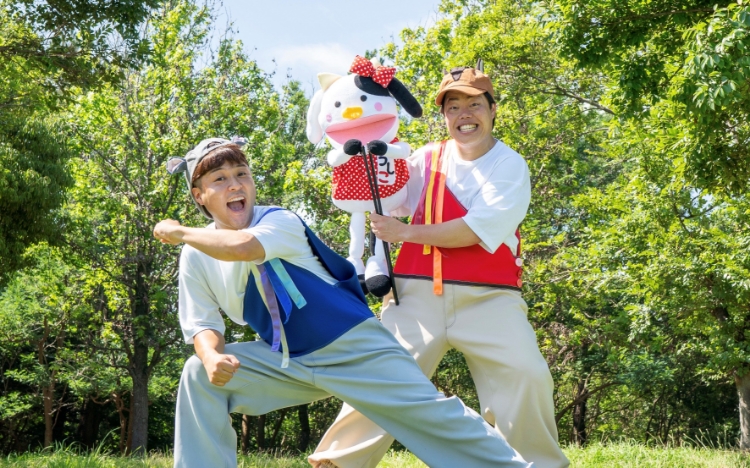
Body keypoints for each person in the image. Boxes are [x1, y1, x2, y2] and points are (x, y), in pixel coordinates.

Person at [153, 138, 532, 468]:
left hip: (356, 348)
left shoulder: (278, 220)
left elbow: (244, 248)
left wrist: (180, 231)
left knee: (435, 416)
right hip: (288, 359)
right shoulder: (195, 254)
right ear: (199, 194)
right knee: (197, 374)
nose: (235, 184)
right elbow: (202, 323)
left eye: (242, 174)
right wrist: (211, 357)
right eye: (219, 180)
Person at [309, 68, 570, 468]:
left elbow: (473, 230)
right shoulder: (423, 157)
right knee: (382, 374)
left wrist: (405, 233)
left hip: (490, 298)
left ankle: (537, 464)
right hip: (415, 296)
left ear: (492, 109)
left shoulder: (510, 164)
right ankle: (336, 463)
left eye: (474, 104)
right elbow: (391, 202)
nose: (464, 114)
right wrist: (361, 167)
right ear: (444, 116)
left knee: (526, 374)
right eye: (453, 107)